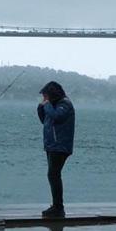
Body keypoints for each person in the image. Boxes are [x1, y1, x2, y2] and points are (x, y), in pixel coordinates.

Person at [37, 81, 75, 218]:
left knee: (53, 174)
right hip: (52, 145)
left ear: (52, 94)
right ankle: (56, 206)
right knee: (53, 175)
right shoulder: (52, 105)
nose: (44, 99)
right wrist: (41, 108)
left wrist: (46, 105)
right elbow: (44, 120)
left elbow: (57, 117)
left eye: (46, 96)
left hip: (60, 146)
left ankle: (58, 207)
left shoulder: (65, 104)